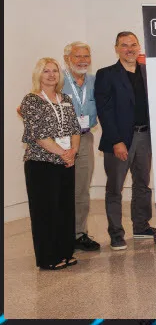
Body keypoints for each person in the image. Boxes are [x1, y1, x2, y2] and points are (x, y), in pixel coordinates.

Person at [94, 31, 156, 250]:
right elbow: (105, 111)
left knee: (143, 184)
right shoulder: (106, 74)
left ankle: (141, 226)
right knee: (115, 189)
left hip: (145, 136)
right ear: (116, 48)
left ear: (139, 47)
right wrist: (116, 141)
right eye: (124, 45)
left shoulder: (148, 72)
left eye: (133, 44)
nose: (129, 49)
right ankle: (116, 233)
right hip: (119, 140)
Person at [22, 57, 81, 270]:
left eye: (54, 70)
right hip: (41, 163)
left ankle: (65, 252)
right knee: (45, 212)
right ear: (39, 75)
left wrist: (72, 151)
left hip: (65, 163)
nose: (51, 74)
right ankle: (48, 258)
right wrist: (64, 153)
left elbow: (75, 128)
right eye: (46, 71)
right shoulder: (31, 100)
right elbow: (38, 134)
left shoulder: (65, 98)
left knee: (64, 209)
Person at [63, 42, 101, 252]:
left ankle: (79, 233)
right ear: (67, 58)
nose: (82, 60)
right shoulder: (57, 79)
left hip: (84, 139)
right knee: (59, 188)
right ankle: (60, 234)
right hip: (59, 141)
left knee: (81, 190)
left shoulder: (95, 81)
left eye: (86, 56)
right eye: (77, 56)